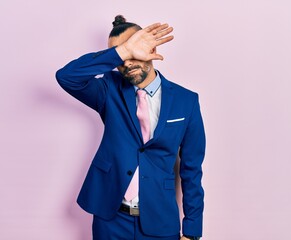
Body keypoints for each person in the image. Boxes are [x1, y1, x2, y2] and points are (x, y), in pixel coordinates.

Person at [56, 15, 206, 240]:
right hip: (111, 218)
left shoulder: (187, 101)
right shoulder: (108, 89)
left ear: (150, 47)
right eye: (123, 55)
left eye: (134, 51)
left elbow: (192, 169)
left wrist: (192, 231)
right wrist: (122, 51)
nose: (126, 63)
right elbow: (66, 77)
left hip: (160, 219)